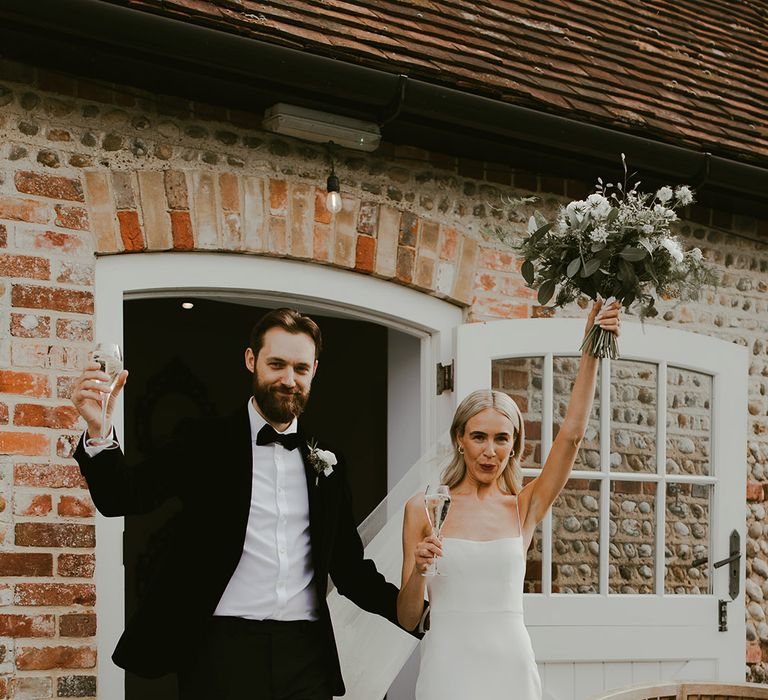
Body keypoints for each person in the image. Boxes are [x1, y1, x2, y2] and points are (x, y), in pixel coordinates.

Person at [71, 307, 420, 700]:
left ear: (315, 370)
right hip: (221, 651)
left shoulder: (327, 461)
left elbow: (350, 568)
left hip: (305, 655)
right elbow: (124, 496)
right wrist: (99, 431)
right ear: (251, 360)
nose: (289, 380)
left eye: (301, 369)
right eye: (277, 364)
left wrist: (414, 613)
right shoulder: (203, 441)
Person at [397, 299, 621, 700]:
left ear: (514, 446)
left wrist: (591, 349)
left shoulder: (524, 508)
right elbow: (408, 617)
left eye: (502, 439)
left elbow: (571, 436)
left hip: (511, 670)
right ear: (459, 441)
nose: (490, 450)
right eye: (479, 437)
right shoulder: (424, 508)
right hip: (447, 668)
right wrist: (418, 569)